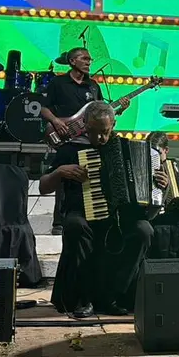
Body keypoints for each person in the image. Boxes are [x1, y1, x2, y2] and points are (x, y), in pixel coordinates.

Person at [40, 101, 152, 317]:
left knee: (144, 230)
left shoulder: (126, 148)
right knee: (75, 226)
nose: (100, 138)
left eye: (105, 132)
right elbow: (43, 186)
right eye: (94, 132)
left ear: (114, 124)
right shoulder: (71, 149)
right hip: (82, 212)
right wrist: (59, 172)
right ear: (84, 126)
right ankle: (84, 298)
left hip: (119, 216)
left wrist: (158, 184)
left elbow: (146, 189)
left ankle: (113, 295)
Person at [41, 47, 129, 235]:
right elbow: (43, 108)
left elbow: (101, 110)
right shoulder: (59, 83)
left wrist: (118, 109)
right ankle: (60, 220)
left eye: (90, 59)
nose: (89, 62)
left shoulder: (93, 86)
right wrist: (56, 121)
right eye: (85, 58)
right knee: (65, 173)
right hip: (67, 137)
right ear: (72, 61)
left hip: (90, 138)